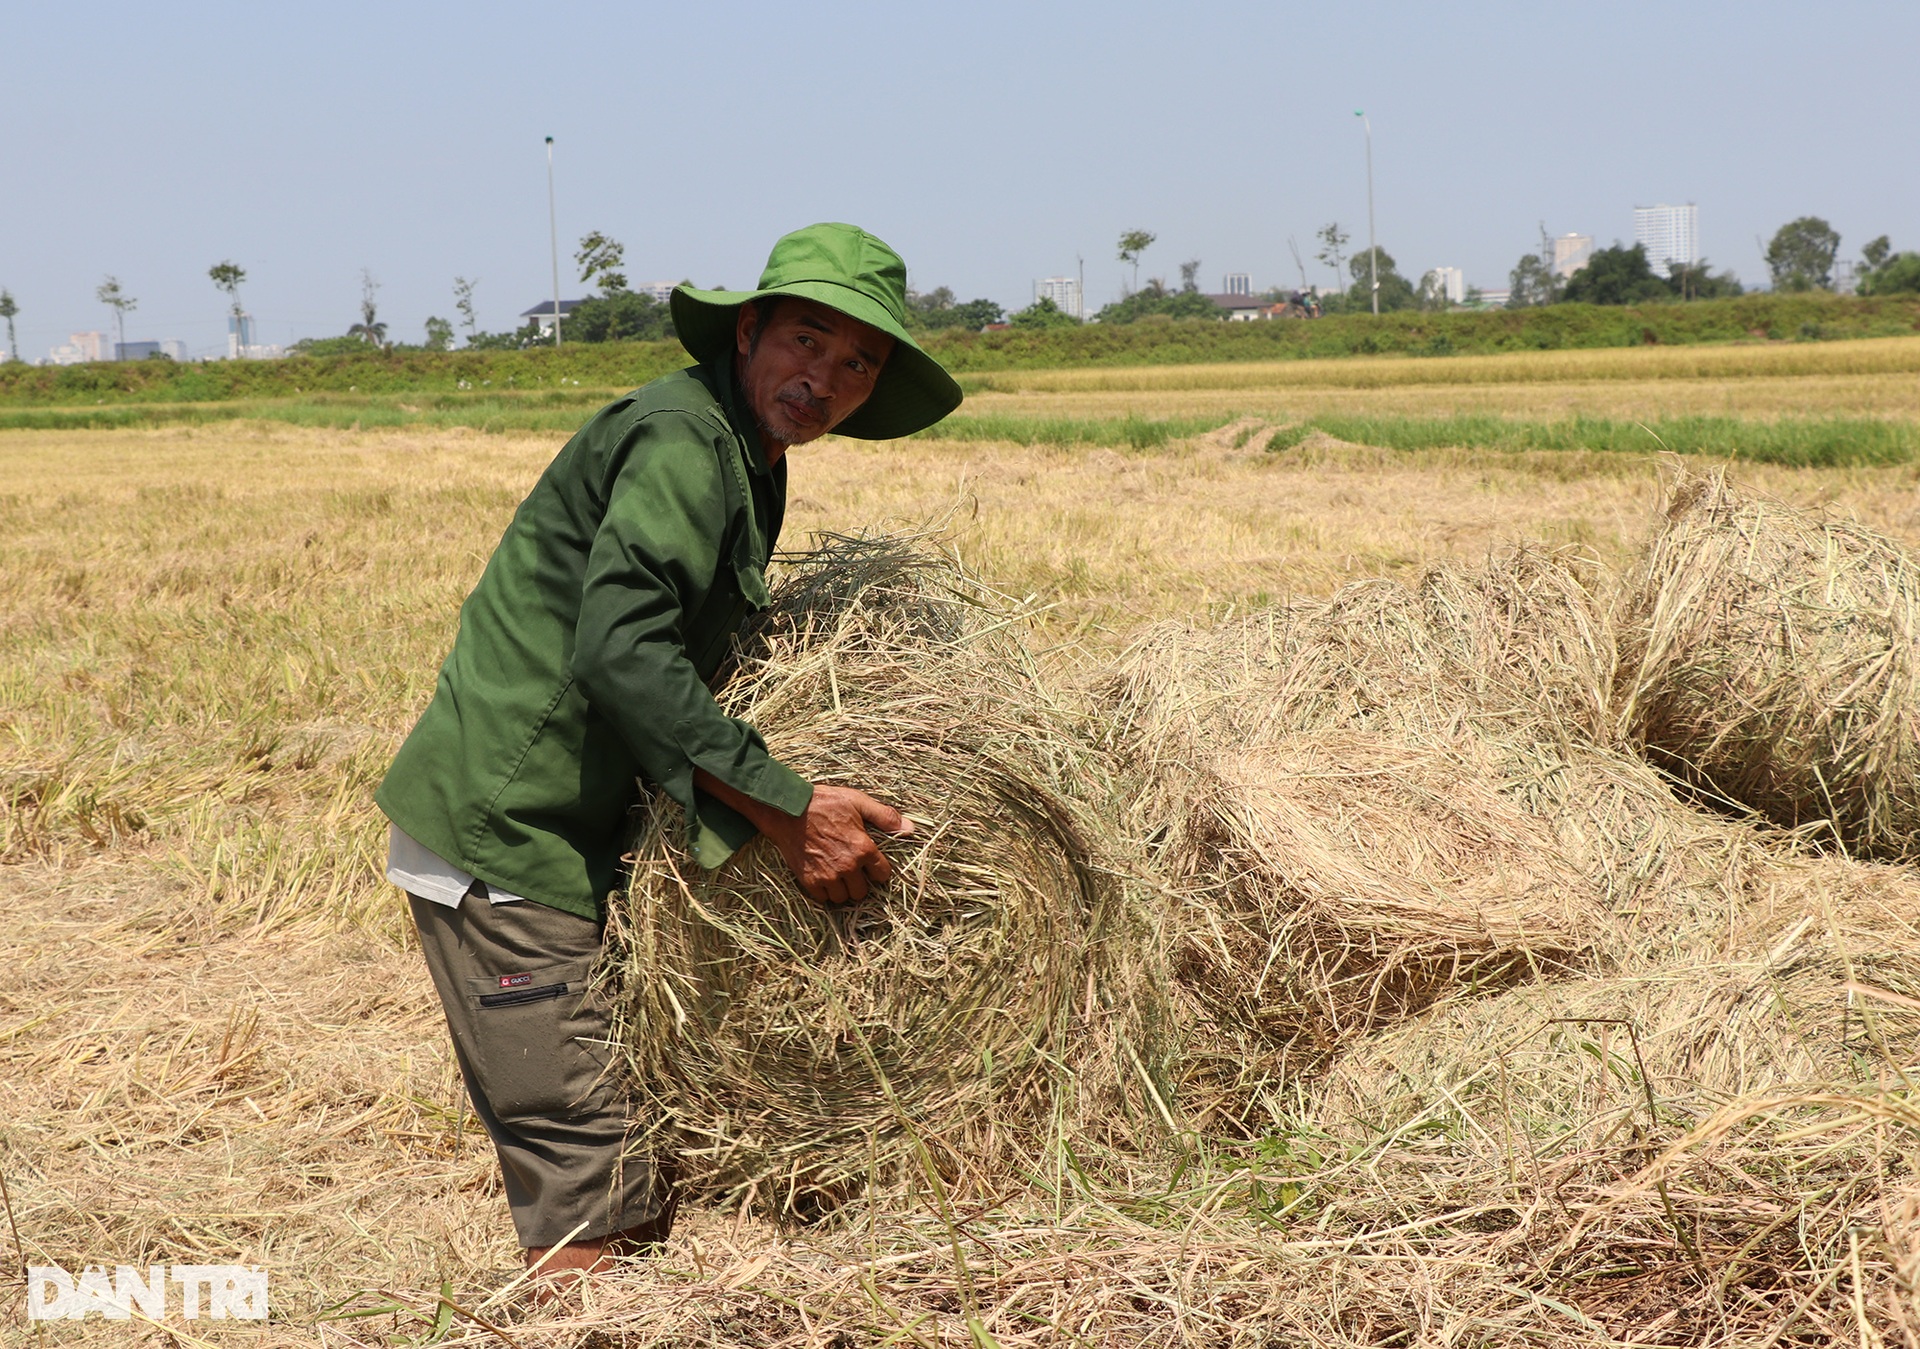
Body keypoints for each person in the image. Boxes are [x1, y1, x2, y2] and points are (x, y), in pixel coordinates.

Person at [375, 222, 964, 1284]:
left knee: (631, 1177)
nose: (822, 376)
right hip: (510, 831)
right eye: (805, 339)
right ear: (749, 332)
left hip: (572, 826)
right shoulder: (687, 442)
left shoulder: (753, 455)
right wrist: (789, 806)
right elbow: (623, 647)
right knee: (588, 1190)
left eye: (856, 363)